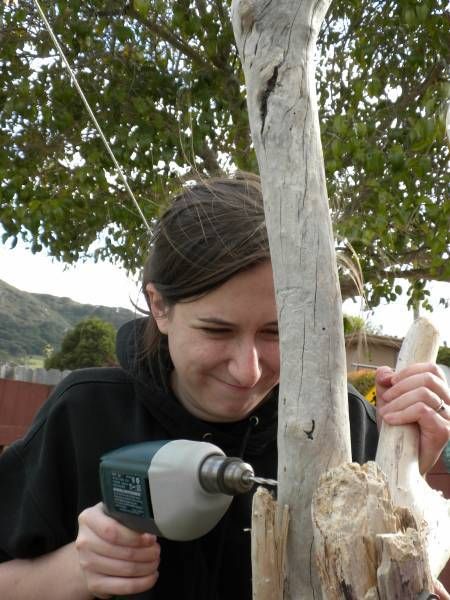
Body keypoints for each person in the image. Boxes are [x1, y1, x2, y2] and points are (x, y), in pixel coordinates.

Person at [0, 172, 449, 600]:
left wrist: (407, 474)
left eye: (275, 333)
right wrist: (77, 570)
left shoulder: (345, 425)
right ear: (160, 306)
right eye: (217, 331)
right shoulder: (85, 414)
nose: (248, 371)